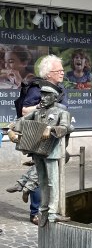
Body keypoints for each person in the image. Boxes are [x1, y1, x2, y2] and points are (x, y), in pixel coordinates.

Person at [5, 55, 68, 225]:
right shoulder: (37, 88)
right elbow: (26, 111)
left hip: (54, 136)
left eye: (62, 70)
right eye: (58, 70)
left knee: (50, 167)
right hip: (39, 137)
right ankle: (36, 211)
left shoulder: (60, 88)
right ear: (48, 74)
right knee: (43, 172)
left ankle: (25, 184)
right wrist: (46, 107)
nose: (62, 73)